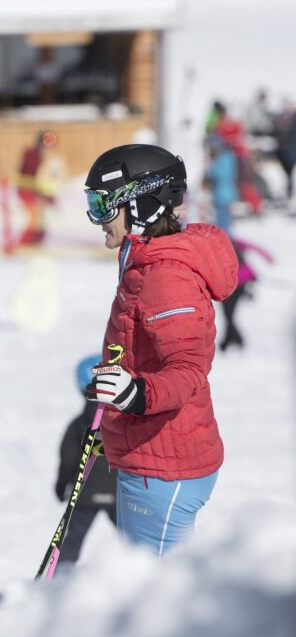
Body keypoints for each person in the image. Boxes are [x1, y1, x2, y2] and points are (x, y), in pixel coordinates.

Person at [83, 144, 237, 555]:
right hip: (151, 454)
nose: (96, 219)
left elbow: (188, 369)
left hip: (165, 467)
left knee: (154, 602)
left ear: (141, 205)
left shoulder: (165, 276)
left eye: (102, 205)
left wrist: (134, 395)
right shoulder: (145, 262)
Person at [53, 354, 117, 566]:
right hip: (118, 491)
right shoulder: (124, 423)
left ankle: (61, 575)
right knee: (132, 538)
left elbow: (68, 457)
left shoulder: (78, 424)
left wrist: (62, 484)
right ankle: (146, 571)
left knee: (73, 539)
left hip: (85, 491)